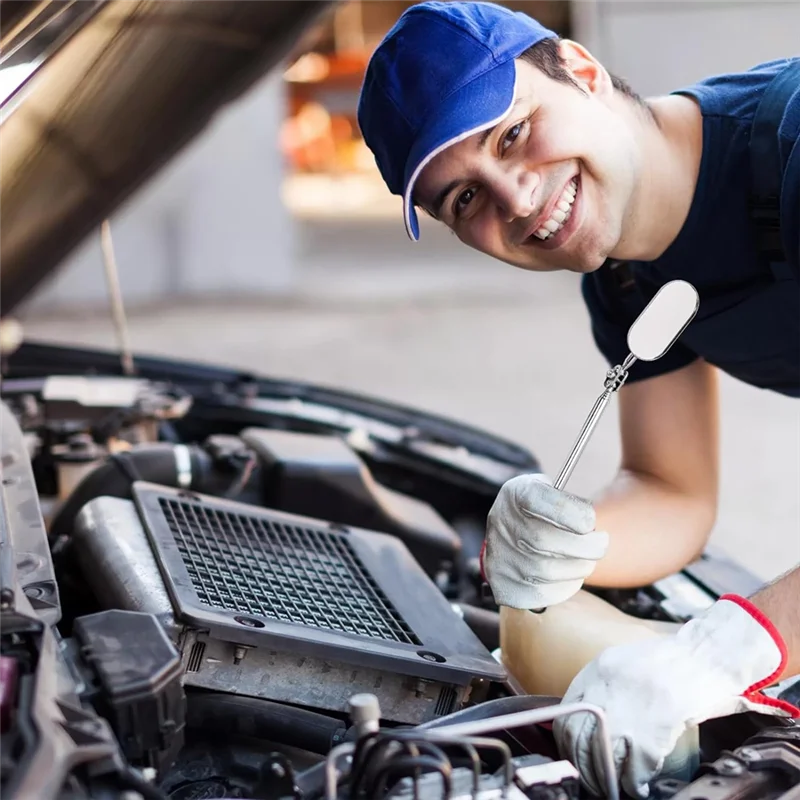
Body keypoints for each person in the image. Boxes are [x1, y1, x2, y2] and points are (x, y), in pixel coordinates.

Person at [356, 1, 800, 797]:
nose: (517, 203)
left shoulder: (792, 146)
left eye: (513, 134)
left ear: (583, 71)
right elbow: (674, 490)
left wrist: (724, 651)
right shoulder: (624, 277)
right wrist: (568, 540)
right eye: (464, 200)